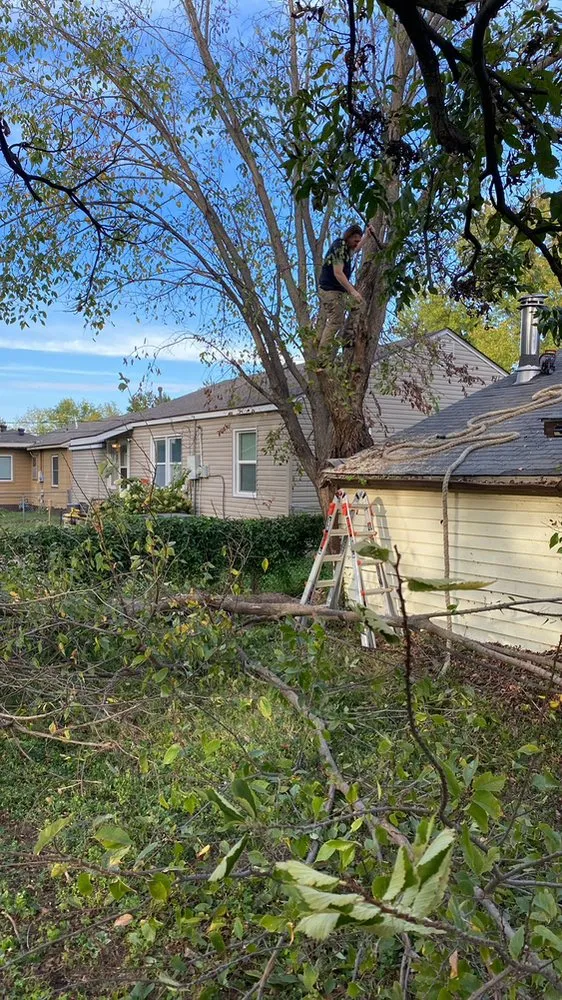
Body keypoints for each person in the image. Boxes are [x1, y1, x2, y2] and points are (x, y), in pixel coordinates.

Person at [317, 223, 372, 350]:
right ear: (348, 237)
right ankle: (322, 358)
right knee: (336, 320)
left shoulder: (347, 249)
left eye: (359, 240)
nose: (356, 243)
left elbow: (357, 248)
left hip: (339, 289)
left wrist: (367, 236)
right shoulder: (339, 246)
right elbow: (338, 273)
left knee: (359, 304)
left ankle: (347, 337)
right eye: (355, 240)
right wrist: (353, 291)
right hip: (329, 289)